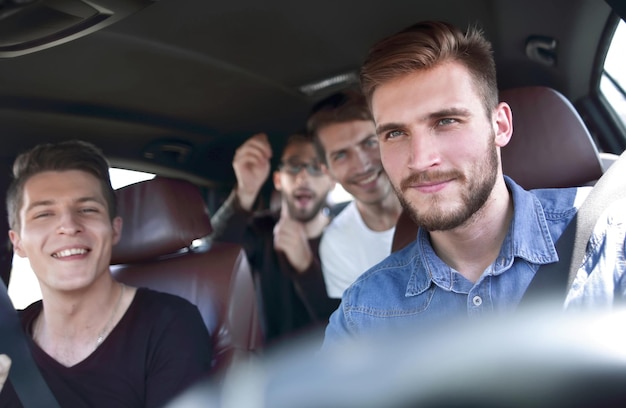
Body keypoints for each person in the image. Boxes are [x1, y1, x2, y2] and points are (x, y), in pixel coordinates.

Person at [323, 21, 626, 345]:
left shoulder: (611, 240)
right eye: (395, 133)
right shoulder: (362, 316)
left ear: (500, 126)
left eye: (446, 121)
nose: (421, 159)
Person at [0, 140, 212, 407]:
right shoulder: (7, 338)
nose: (68, 225)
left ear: (114, 230)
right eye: (44, 214)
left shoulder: (169, 325)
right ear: (17, 242)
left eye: (87, 210)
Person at [209, 132, 339, 345]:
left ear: (332, 181)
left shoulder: (347, 235)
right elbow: (212, 258)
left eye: (316, 168)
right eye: (294, 166)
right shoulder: (261, 229)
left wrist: (306, 268)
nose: (303, 177)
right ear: (278, 179)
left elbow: (350, 326)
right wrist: (246, 191)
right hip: (270, 368)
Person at [307, 90, 403, 299]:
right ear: (328, 172)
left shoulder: (440, 204)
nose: (362, 165)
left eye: (369, 143)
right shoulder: (337, 243)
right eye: (341, 155)